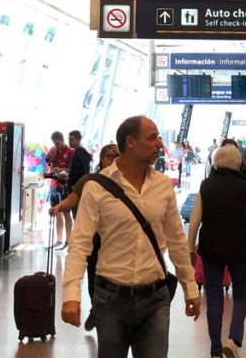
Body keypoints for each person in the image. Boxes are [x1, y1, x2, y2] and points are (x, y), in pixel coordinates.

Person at [61, 116, 201, 358]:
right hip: (110, 299)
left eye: (158, 137)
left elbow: (177, 240)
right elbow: (80, 243)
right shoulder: (98, 186)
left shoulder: (162, 185)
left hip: (156, 299)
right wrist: (71, 294)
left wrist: (190, 287)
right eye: (152, 137)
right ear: (131, 142)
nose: (159, 143)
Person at [188, 145, 246, 358]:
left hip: (210, 248)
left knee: (214, 296)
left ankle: (215, 349)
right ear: (238, 163)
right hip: (239, 249)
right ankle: (233, 340)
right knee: (242, 295)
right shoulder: (245, 187)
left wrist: (190, 249)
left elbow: (195, 220)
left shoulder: (206, 186)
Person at [50, 143, 120, 331]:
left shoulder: (127, 181)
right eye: (110, 156)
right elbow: (73, 199)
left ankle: (104, 312)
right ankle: (96, 310)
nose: (113, 160)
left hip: (116, 242)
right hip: (94, 239)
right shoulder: (91, 180)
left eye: (117, 155)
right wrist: (58, 207)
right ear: (102, 159)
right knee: (93, 277)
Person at [45, 131, 74, 248]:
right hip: (54, 185)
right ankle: (59, 240)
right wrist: (52, 167)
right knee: (57, 212)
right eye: (54, 144)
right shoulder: (52, 150)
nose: (57, 146)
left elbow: (72, 169)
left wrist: (61, 169)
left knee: (67, 213)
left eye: (58, 143)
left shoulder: (71, 152)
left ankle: (68, 241)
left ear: (62, 140)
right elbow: (49, 163)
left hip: (65, 186)